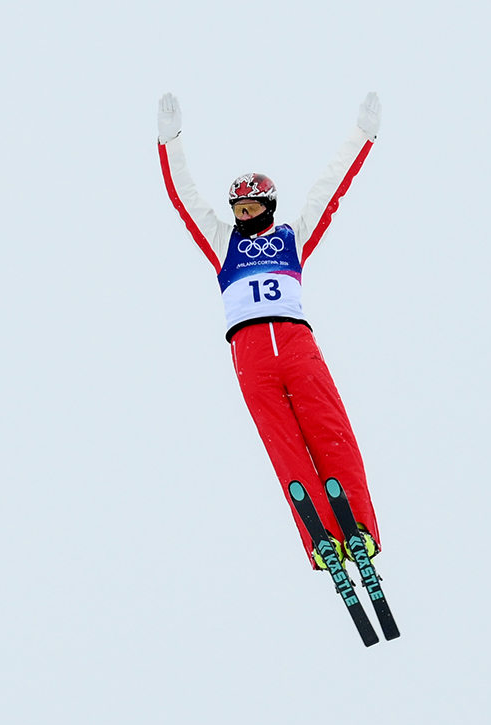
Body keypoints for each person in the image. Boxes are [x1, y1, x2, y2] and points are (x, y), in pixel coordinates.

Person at [154, 92, 388, 577]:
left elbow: (329, 189)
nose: (243, 217)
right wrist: (169, 139)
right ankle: (321, 538)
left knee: (331, 432)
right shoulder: (223, 244)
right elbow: (184, 198)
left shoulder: (291, 238)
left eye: (251, 208)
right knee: (285, 446)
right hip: (251, 356)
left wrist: (362, 134)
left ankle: (359, 530)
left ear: (268, 206)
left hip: (298, 347)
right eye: (238, 209)